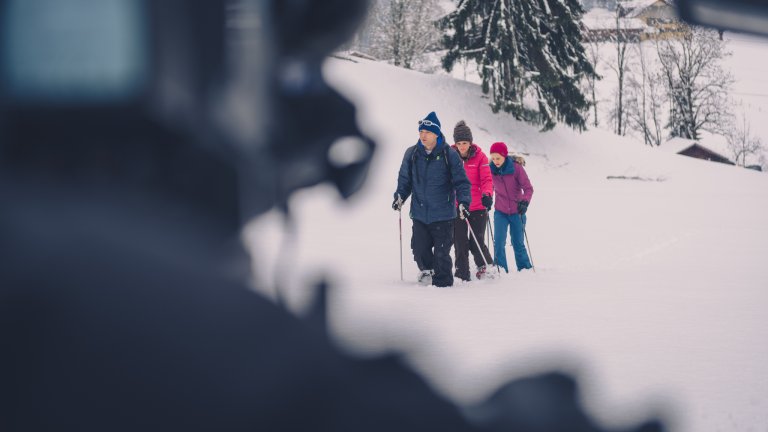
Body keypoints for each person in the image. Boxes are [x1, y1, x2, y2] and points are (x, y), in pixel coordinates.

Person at [392, 112, 472, 287]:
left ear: (436, 133)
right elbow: (405, 179)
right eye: (421, 132)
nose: (423, 135)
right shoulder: (412, 153)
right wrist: (400, 196)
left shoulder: (449, 154)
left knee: (442, 254)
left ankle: (443, 285)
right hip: (420, 212)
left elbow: (462, 182)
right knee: (419, 248)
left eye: (427, 132)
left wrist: (464, 202)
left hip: (443, 214)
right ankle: (426, 271)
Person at [450, 120, 495, 281]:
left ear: (470, 142)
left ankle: (486, 266)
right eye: (459, 143)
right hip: (458, 206)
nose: (462, 146)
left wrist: (487, 195)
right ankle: (462, 272)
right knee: (460, 242)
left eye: (465, 143)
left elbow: (487, 180)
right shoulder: (450, 156)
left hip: (477, 205)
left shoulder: (480, 157)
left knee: (477, 240)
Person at [488, 142, 534, 272]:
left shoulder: (516, 168)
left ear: (504, 156)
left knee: (518, 243)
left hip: (517, 211)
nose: (495, 161)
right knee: (499, 242)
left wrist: (525, 202)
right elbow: (488, 187)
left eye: (498, 158)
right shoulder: (490, 170)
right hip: (500, 212)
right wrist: (487, 197)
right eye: (493, 158)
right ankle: (500, 269)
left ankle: (525, 269)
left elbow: (528, 189)